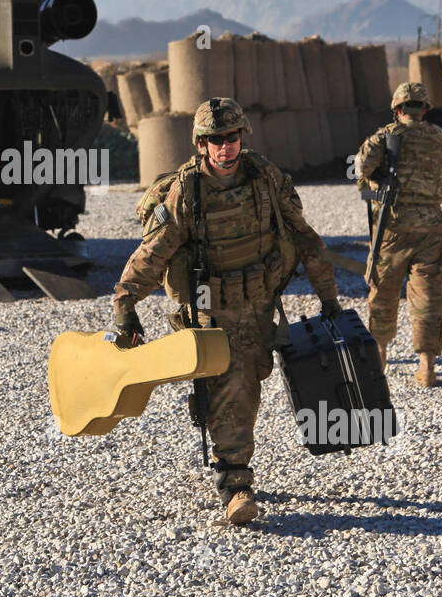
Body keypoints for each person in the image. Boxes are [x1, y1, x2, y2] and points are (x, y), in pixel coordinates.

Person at [112, 98, 340, 526]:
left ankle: (229, 452)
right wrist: (126, 304)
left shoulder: (264, 177)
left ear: (242, 137)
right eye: (215, 139)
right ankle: (235, 484)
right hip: (210, 311)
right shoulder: (187, 191)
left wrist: (328, 297)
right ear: (201, 144)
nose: (225, 147)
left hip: (258, 304)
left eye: (231, 137)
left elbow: (304, 237)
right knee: (232, 386)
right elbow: (153, 253)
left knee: (249, 386)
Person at [355, 82, 442, 388]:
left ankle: (381, 354)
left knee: (383, 292)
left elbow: (361, 170)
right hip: (432, 226)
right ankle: (427, 365)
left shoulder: (385, 136)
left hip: (394, 228)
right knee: (428, 295)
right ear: (424, 109)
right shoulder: (439, 137)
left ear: (397, 109)